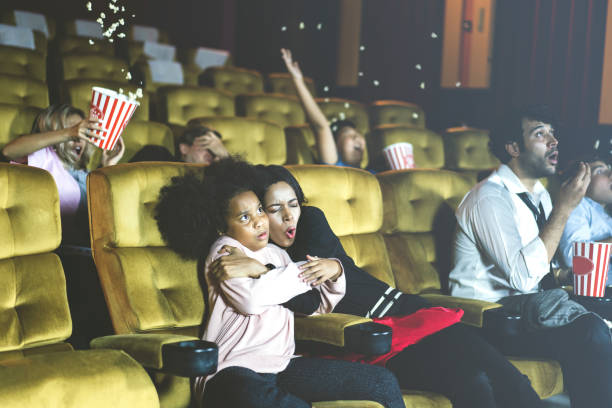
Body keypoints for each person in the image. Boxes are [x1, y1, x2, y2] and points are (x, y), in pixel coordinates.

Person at [208, 163, 544, 408]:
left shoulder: (307, 224)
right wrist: (268, 264)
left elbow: (312, 292)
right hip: (362, 333)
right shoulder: (257, 251)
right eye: (272, 209)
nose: (287, 217)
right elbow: (307, 299)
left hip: (390, 311)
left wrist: (265, 267)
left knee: (473, 353)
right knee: (472, 375)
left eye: (293, 204)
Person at [154, 157, 405, 408]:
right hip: (232, 370)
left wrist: (335, 270)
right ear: (222, 227)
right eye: (244, 217)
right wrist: (288, 273)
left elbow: (314, 305)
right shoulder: (225, 251)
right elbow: (251, 301)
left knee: (381, 382)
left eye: (260, 210)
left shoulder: (278, 255)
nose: (258, 221)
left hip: (282, 364)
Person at [449, 104, 612, 408]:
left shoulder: (539, 195)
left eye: (553, 133)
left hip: (529, 309)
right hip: (492, 318)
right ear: (513, 147)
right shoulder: (489, 198)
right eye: (540, 133)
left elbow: (542, 268)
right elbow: (523, 278)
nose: (554, 141)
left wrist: (567, 274)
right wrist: (565, 210)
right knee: (591, 332)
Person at [2, 104, 124, 244]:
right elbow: (9, 151)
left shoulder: (82, 173)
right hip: (68, 249)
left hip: (94, 245)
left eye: (83, 132)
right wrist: (69, 133)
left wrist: (107, 165)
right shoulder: (44, 157)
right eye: (74, 130)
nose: (79, 138)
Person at [281, 48, 366, 168]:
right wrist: (297, 80)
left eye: (358, 133)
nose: (357, 137)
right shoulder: (335, 165)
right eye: (347, 134)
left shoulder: (372, 173)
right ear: (335, 145)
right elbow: (321, 126)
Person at [559, 156, 612, 282]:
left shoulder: (606, 213)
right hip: (599, 296)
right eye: (600, 171)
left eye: (609, 168)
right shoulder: (578, 206)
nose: (610, 173)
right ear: (579, 181)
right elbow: (573, 257)